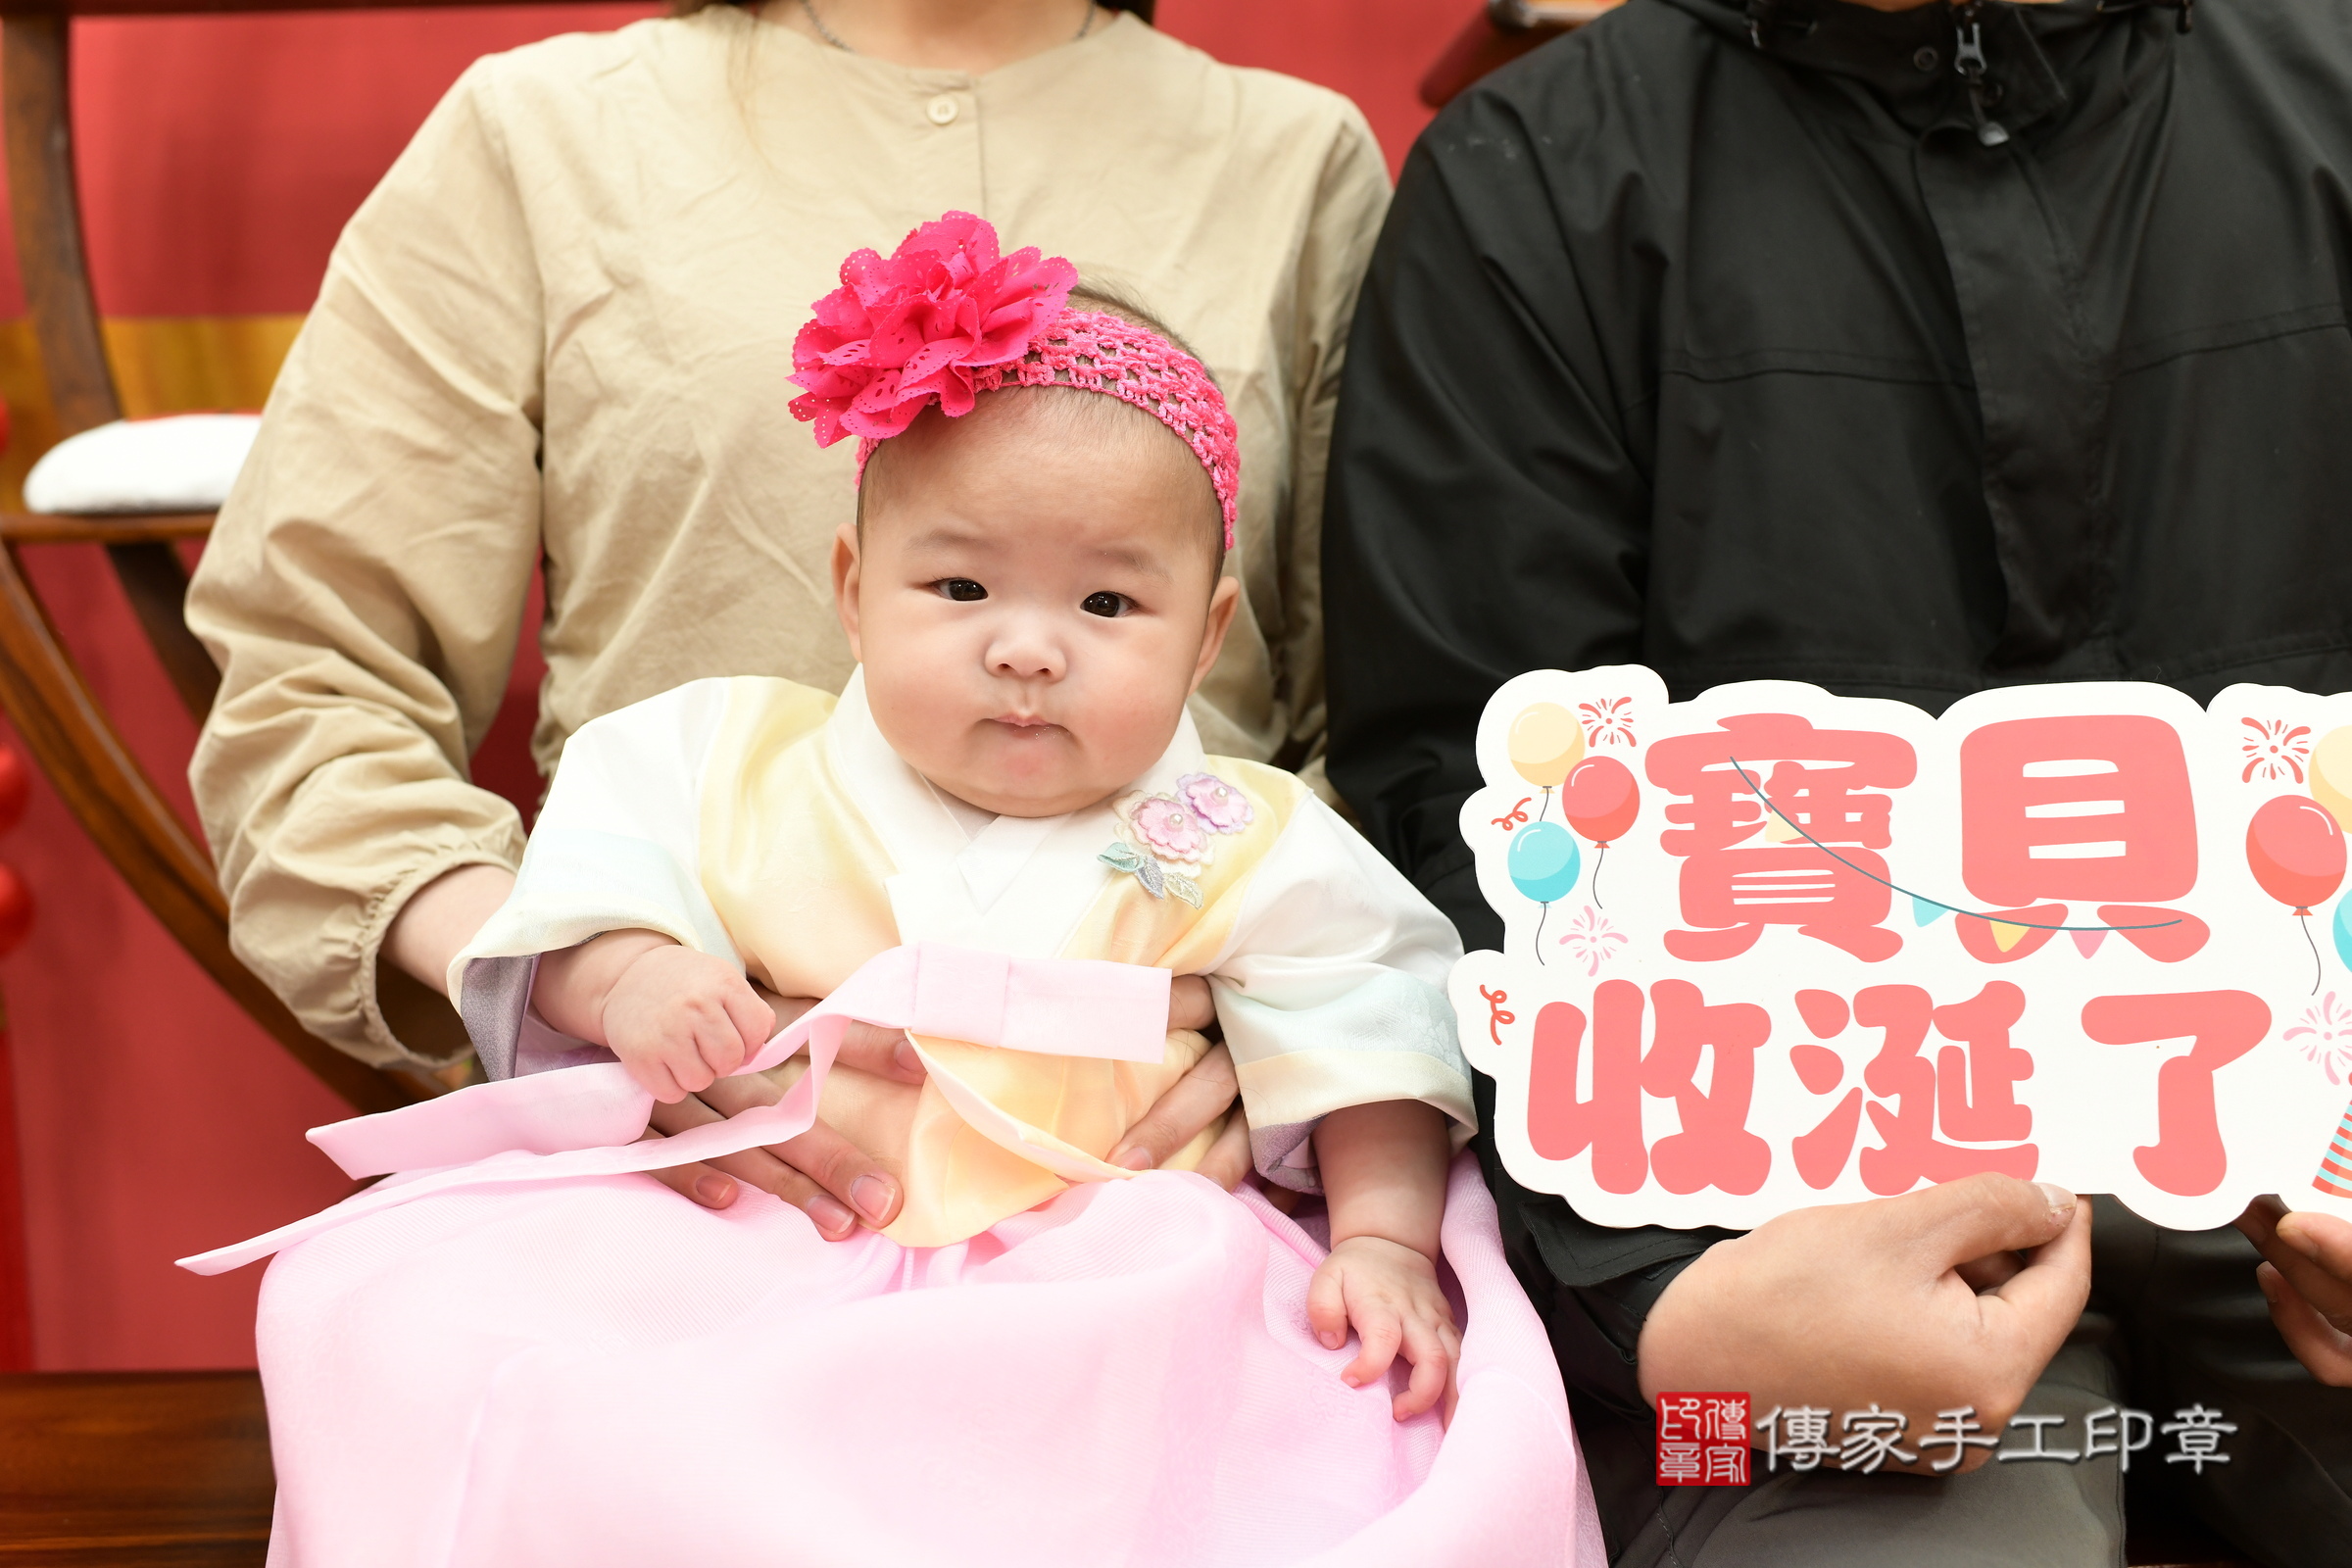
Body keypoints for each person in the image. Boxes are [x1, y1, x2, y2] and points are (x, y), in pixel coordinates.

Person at [187, 218, 1591, 1566]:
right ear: (854, 589)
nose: (1029, 649)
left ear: (1207, 632)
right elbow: (586, 888)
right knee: (439, 1341)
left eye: (1108, 605)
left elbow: (1369, 1024)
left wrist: (1383, 1237)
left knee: (1310, 1435)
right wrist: (627, 979)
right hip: (774, 1221)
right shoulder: (722, 759)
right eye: (962, 587)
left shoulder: (1247, 836)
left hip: (1115, 1249)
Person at [1321, 0, 2352, 1563]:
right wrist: (1664, 1300)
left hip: (2300, 1165)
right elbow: (1462, 795)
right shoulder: (1539, 169)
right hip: (1783, 1215)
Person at [184, 0, 1389, 1231]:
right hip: (673, 1162)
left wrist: (1317, 1030)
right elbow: (307, 691)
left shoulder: (1298, 160)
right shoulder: (538, 132)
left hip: (1169, 1182)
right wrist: (582, 980)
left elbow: (1398, 729)